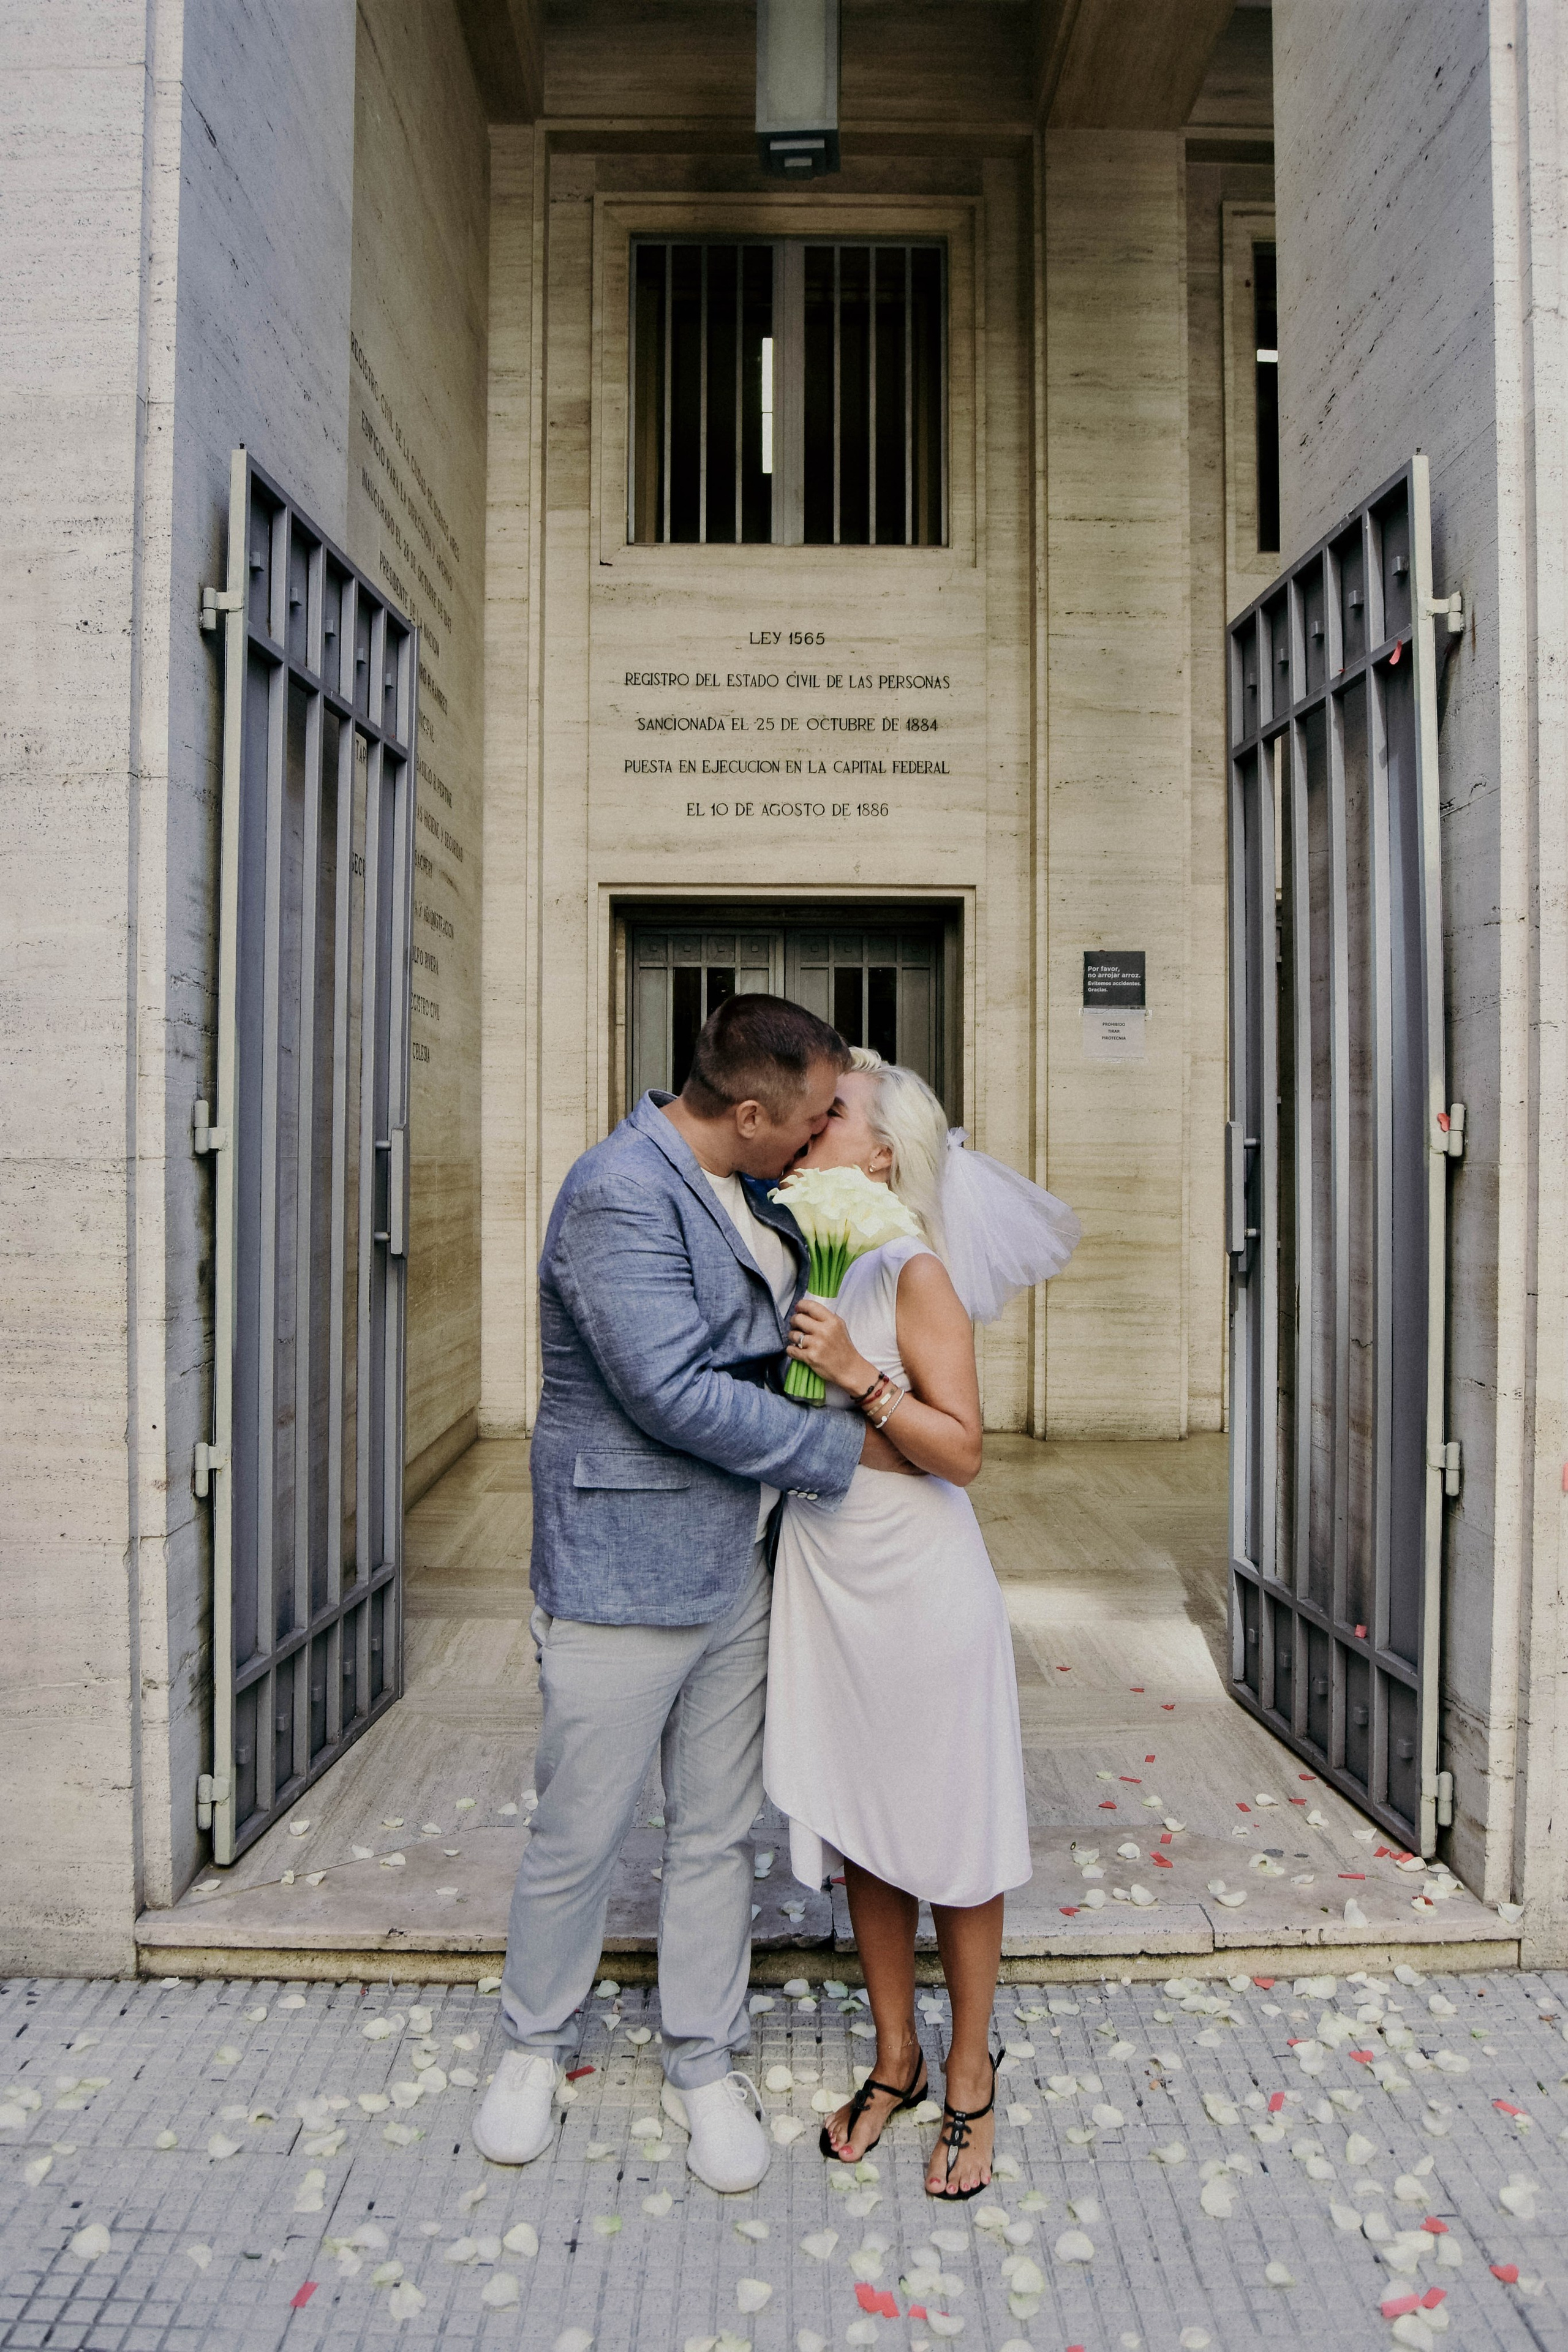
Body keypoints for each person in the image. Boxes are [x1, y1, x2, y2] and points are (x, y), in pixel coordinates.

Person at [473, 995, 908, 2193]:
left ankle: (701, 2059)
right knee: (580, 1830)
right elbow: (668, 1390)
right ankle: (531, 2048)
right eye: (810, 1116)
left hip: (742, 1567)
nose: (819, 1135)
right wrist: (850, 1449)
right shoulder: (617, 1191)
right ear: (751, 1113)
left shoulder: (760, 1193)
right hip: (621, 1570)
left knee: (716, 1834)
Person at [764, 1049, 1080, 2198]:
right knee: (866, 1821)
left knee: (951, 1826)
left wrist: (856, 1376)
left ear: (883, 1154)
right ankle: (893, 2056)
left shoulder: (915, 1273)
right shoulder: (816, 1256)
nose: (813, 1121)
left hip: (919, 1583)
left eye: (835, 1111)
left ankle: (968, 2072)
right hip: (830, 1577)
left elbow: (963, 1452)